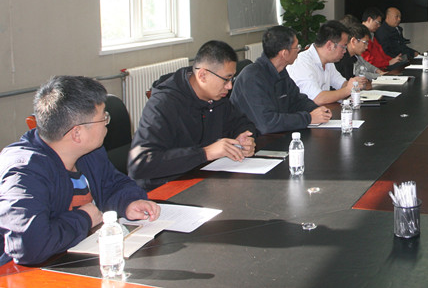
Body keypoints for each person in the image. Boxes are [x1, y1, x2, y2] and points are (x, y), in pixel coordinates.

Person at [0, 76, 159, 266]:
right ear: (77, 133)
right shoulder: (23, 173)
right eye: (103, 118)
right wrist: (84, 219)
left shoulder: (89, 152)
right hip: (26, 273)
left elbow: (114, 184)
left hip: (77, 256)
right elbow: (29, 245)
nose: (107, 123)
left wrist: (128, 203)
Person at [128, 40, 256, 190]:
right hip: (164, 189)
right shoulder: (163, 104)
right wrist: (205, 153)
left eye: (232, 78)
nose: (230, 86)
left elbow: (243, 123)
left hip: (202, 180)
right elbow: (140, 163)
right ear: (203, 75)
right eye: (226, 79)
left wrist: (245, 139)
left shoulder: (217, 98)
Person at [231, 26, 331, 134]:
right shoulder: (252, 77)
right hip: (253, 139)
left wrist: (315, 109)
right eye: (296, 47)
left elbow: (296, 100)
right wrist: (309, 118)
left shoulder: (280, 71)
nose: (299, 50)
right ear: (284, 53)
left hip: (276, 134)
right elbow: (267, 123)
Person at [287, 21, 369, 105]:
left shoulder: (328, 62)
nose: (345, 51)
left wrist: (355, 84)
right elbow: (317, 98)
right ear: (330, 45)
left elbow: (341, 83)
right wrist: (348, 89)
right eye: (343, 47)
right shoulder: (302, 62)